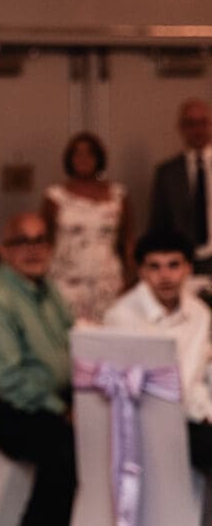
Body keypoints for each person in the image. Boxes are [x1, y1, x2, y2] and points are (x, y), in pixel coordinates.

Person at [0, 212, 76, 526]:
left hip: (55, 399)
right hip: (14, 412)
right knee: (65, 453)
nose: (33, 249)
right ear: (4, 250)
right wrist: (62, 410)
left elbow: (71, 343)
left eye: (40, 240)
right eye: (22, 241)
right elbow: (7, 379)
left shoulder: (47, 289)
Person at [104, 229, 212, 469]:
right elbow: (129, 388)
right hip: (146, 422)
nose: (165, 275)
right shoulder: (121, 317)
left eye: (173, 265)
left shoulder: (198, 313)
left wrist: (206, 412)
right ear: (141, 271)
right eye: (155, 267)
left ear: (188, 269)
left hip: (191, 414)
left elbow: (194, 377)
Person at [42, 131, 133, 324]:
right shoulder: (55, 197)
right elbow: (45, 242)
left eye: (89, 154)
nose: (83, 159)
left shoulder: (118, 196)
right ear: (69, 159)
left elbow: (127, 241)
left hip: (107, 281)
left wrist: (130, 279)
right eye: (77, 153)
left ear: (98, 158)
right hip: (66, 281)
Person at [150, 98, 212, 276]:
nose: (198, 130)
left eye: (202, 123)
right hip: (183, 260)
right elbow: (158, 223)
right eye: (191, 124)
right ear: (181, 128)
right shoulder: (167, 172)